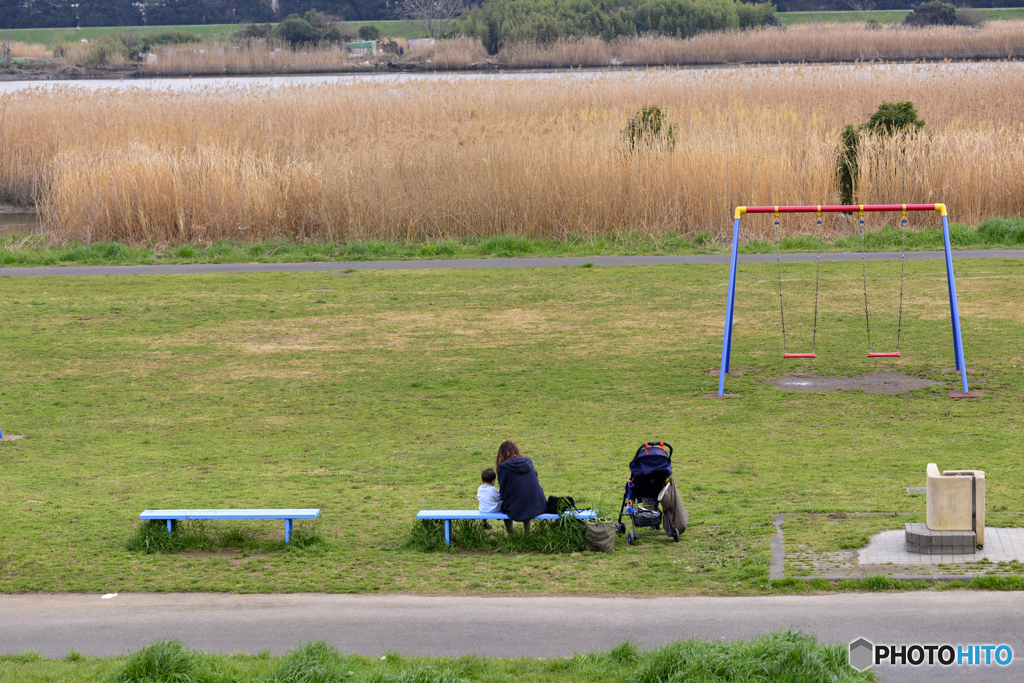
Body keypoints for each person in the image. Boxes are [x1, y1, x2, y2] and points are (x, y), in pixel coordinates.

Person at [495, 441, 546, 535]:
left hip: (516, 508)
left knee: (505, 505)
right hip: (537, 504)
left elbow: (503, 493)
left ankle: (511, 534)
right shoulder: (529, 461)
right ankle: (528, 532)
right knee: (524, 499)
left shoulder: (503, 467)